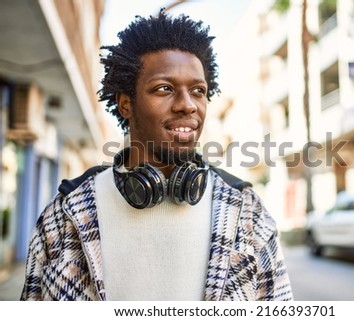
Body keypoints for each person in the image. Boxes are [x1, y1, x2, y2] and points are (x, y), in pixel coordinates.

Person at [20, 9, 292, 301]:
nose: (188, 105)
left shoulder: (247, 213)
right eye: (164, 88)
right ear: (126, 104)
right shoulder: (64, 216)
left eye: (198, 90)